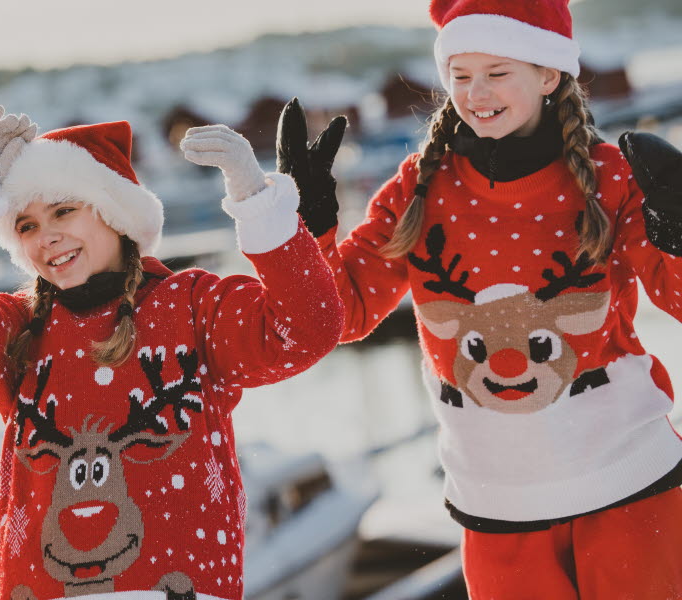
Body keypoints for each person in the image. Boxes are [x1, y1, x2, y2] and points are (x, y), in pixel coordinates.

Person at [278, 0, 682, 597]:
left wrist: (675, 227)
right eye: (460, 75)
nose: (475, 92)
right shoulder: (419, 186)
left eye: (497, 73)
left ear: (549, 75)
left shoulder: (610, 175)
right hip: (497, 504)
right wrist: (307, 231)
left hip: (629, 486)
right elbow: (342, 316)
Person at [0, 105, 342, 600]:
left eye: (63, 210)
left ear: (114, 212)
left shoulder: (191, 306)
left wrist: (257, 204)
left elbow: (306, 329)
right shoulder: (21, 329)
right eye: (25, 226)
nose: (45, 236)